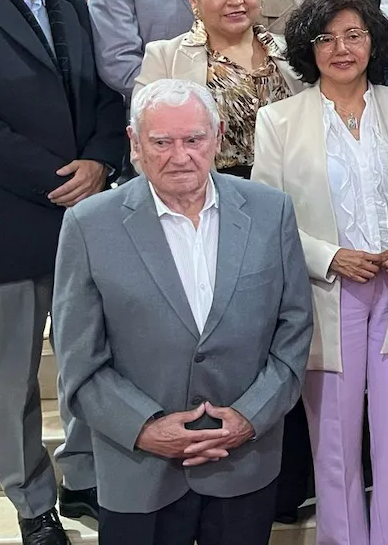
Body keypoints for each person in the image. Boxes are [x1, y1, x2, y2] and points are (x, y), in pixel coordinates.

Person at [51, 78, 314, 545]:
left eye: (193, 139)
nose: (180, 156)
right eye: (162, 142)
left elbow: (293, 331)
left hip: (243, 464)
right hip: (138, 471)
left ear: (218, 135)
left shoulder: (270, 211)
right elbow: (78, 362)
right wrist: (146, 428)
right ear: (134, 143)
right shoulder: (89, 225)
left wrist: (249, 417)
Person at [252, 0, 388, 545]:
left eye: (353, 34)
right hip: (325, 294)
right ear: (309, 50)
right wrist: (329, 256)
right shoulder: (278, 120)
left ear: (373, 42)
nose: (340, 48)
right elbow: (269, 213)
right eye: (325, 38)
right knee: (333, 437)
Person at [0, 0, 125, 545]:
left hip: (85, 214)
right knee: (14, 374)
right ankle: (31, 502)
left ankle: (82, 474)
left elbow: (106, 95)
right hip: (11, 218)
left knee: (84, 358)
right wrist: (57, 177)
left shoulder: (70, 4)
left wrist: (100, 161)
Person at [134, 0, 304, 178]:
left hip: (296, 189)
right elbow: (142, 150)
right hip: (212, 195)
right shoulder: (164, 58)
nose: (235, 0)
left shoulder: (291, 49)